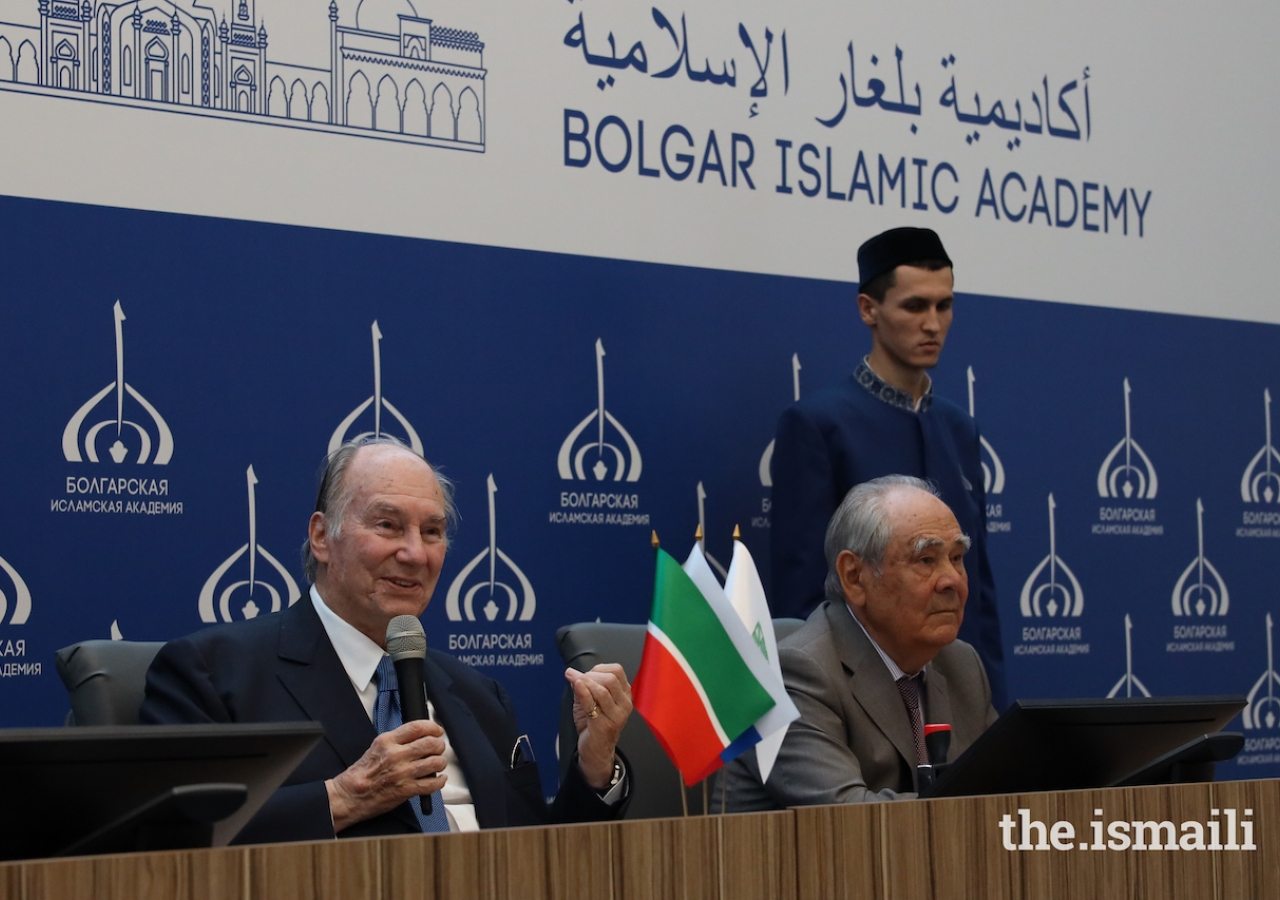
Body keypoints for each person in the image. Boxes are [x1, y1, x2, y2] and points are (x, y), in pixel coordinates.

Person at [141, 436, 633, 843]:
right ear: (321, 537)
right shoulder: (213, 672)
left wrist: (593, 765)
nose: (415, 553)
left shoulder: (479, 695)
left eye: (433, 531)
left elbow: (537, 854)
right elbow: (169, 838)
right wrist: (345, 796)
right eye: (387, 525)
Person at [768, 226, 1006, 709]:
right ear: (868, 309)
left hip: (960, 697)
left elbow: (977, 590)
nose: (933, 324)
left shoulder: (959, 428)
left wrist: (993, 702)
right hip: (860, 707)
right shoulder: (818, 424)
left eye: (945, 305)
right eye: (915, 306)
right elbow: (802, 602)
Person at [723, 476, 998, 809]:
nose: (953, 580)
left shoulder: (961, 664)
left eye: (956, 558)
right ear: (854, 577)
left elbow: (1009, 785)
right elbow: (848, 816)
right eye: (926, 560)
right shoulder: (790, 676)